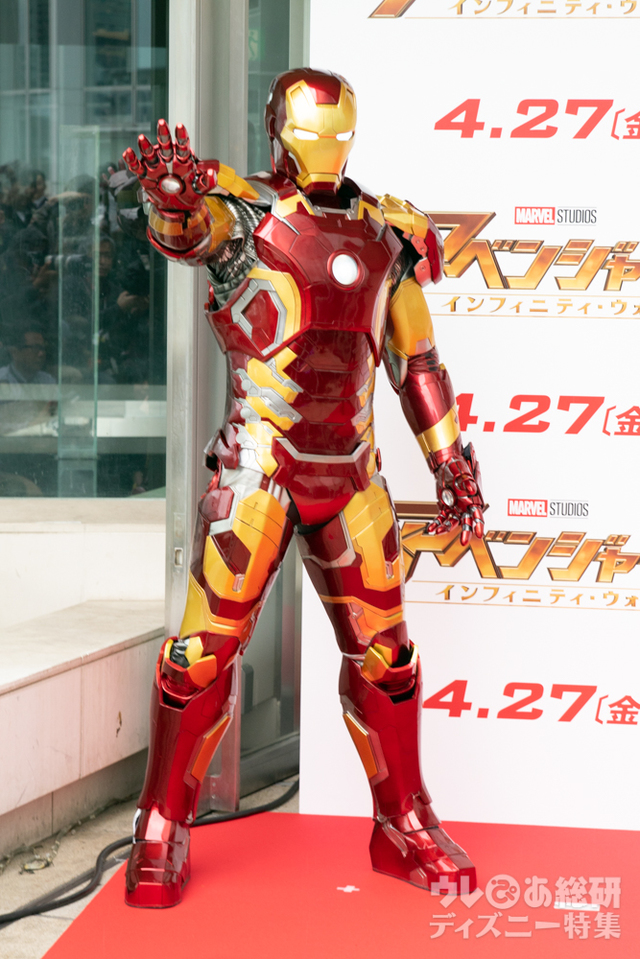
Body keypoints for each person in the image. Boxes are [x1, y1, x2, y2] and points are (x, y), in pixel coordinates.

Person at [123, 68, 485, 908]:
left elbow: (416, 360)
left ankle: (404, 821)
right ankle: (161, 822)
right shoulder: (244, 212)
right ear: (279, 130)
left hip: (352, 474)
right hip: (260, 468)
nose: (324, 144)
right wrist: (173, 204)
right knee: (200, 657)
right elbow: (191, 229)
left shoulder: (389, 232)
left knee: (388, 659)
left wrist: (451, 461)